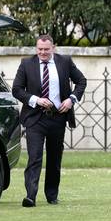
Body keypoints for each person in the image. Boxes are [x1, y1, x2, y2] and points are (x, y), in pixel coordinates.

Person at [12, 34, 87, 207]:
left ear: (53, 48)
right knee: (35, 157)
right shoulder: (26, 64)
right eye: (40, 49)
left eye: (46, 49)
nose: (43, 53)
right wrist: (36, 100)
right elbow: (16, 90)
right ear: (36, 48)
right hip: (35, 118)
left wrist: (71, 99)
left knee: (54, 158)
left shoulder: (65, 62)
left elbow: (81, 81)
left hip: (58, 117)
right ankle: (30, 196)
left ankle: (52, 195)